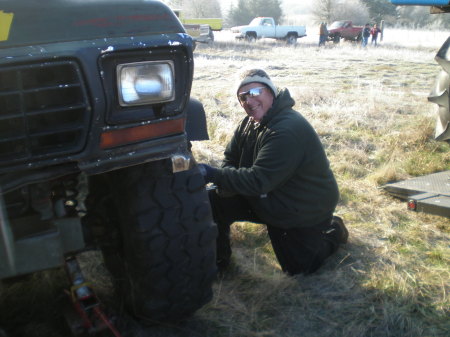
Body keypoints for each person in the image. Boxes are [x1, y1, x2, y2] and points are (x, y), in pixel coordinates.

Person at [198, 69, 348, 276]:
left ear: (272, 92)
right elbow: (230, 157)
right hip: (266, 196)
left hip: (299, 206)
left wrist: (211, 174)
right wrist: (227, 181)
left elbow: (259, 180)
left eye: (254, 92)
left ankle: (334, 229)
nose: (248, 102)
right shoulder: (248, 123)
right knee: (211, 201)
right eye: (242, 97)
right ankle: (219, 264)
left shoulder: (286, 130)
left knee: (299, 269)